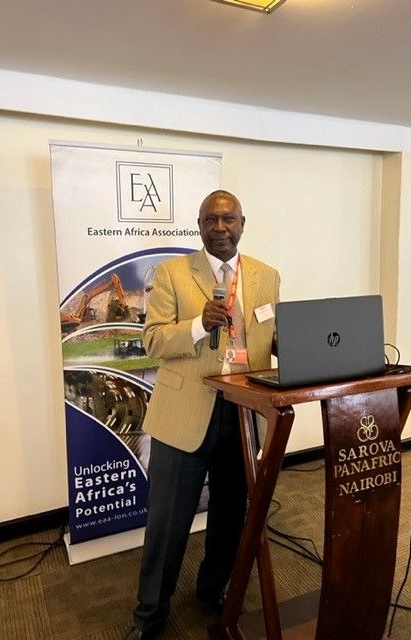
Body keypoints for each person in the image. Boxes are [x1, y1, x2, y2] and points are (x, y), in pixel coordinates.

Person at [126, 190, 280, 639]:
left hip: (241, 411)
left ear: (242, 223)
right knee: (168, 525)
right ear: (199, 225)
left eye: (228, 219)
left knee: (232, 513)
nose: (221, 227)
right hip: (184, 414)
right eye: (211, 220)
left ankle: (213, 590)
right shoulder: (173, 274)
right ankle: (150, 615)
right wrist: (199, 324)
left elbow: (269, 337)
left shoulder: (267, 276)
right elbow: (153, 341)